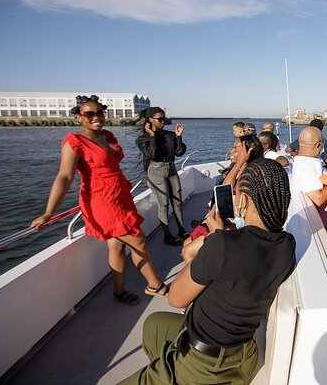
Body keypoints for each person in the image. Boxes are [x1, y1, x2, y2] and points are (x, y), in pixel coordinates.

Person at [119, 159, 296, 385]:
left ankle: (174, 374)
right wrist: (225, 238)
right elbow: (248, 254)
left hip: (206, 365)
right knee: (154, 325)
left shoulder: (222, 244)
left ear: (243, 200)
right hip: (243, 354)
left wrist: (216, 238)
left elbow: (175, 298)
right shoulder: (287, 244)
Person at [31, 95, 168, 306]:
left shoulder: (107, 135)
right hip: (101, 199)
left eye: (100, 112)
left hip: (120, 194)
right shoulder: (74, 142)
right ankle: (155, 285)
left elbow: (111, 165)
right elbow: (65, 177)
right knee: (138, 240)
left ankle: (119, 291)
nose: (96, 117)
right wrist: (48, 212)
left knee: (117, 246)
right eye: (89, 114)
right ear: (78, 117)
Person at [136, 107, 187, 246]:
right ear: (150, 120)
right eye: (160, 119)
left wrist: (178, 137)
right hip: (156, 171)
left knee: (177, 201)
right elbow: (153, 154)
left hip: (171, 169)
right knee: (163, 203)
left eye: (165, 119)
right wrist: (152, 136)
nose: (163, 122)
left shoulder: (169, 135)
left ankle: (182, 231)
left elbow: (179, 152)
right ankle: (167, 236)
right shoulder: (142, 139)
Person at [290, 126, 327, 233]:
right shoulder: (307, 166)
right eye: (322, 145)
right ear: (318, 145)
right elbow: (318, 199)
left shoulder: (306, 160)